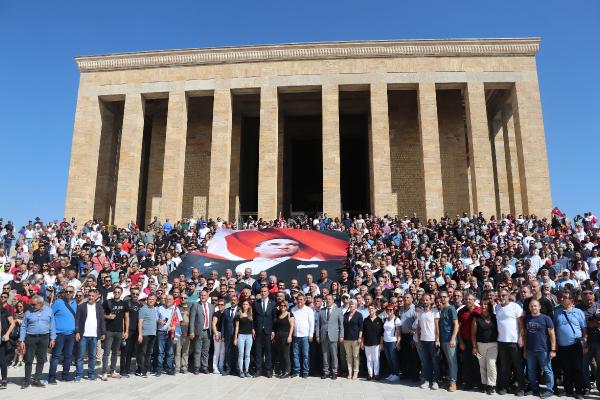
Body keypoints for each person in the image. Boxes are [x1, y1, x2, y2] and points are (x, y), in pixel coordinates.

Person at [554, 290, 587, 399]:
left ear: (571, 301)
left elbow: (584, 329)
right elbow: (554, 328)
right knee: (566, 369)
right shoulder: (557, 312)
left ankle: (579, 391)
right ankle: (568, 390)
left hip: (576, 345)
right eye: (562, 297)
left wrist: (585, 343)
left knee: (577, 368)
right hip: (562, 346)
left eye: (565, 297)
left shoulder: (578, 312)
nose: (562, 299)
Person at [18, 294, 56, 388]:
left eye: (33, 305)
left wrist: (53, 338)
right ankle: (27, 380)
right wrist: (21, 340)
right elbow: (23, 327)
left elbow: (52, 325)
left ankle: (37, 379)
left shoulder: (49, 311)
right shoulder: (28, 312)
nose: (32, 306)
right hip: (31, 338)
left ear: (40, 304)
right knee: (28, 360)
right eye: (31, 304)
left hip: (44, 338)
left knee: (41, 359)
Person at [495, 288, 525, 396]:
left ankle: (521, 388)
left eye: (504, 295)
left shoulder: (515, 306)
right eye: (500, 295)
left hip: (514, 341)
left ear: (508, 295)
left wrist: (521, 338)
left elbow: (521, 324)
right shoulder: (497, 307)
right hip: (501, 341)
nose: (502, 297)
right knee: (504, 366)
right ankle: (504, 386)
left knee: (518, 366)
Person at [524, 299, 556, 398]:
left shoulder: (546, 318)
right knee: (531, 370)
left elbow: (552, 334)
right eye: (531, 306)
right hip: (530, 350)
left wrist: (553, 349)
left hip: (543, 349)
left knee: (547, 370)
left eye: (535, 306)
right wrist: (525, 349)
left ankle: (550, 390)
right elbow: (525, 334)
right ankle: (535, 389)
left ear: (539, 307)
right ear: (529, 308)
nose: (533, 308)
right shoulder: (527, 318)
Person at [74, 289, 106, 382]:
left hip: (94, 335)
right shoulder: (81, 306)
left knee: (92, 356)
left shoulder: (99, 307)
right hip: (83, 335)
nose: (91, 297)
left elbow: (102, 321)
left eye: (93, 296)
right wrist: (77, 332)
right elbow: (77, 320)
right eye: (89, 295)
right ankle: (79, 374)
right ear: (87, 296)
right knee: (80, 356)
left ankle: (91, 374)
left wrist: (103, 332)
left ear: (96, 297)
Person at [48, 285, 77, 384]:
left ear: (73, 293)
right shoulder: (58, 302)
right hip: (59, 334)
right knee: (56, 356)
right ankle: (51, 377)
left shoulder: (75, 304)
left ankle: (65, 376)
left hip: (71, 334)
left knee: (68, 356)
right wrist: (52, 334)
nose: (68, 293)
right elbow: (50, 316)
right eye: (66, 291)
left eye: (70, 291)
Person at [471, 296, 498, 395]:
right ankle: (484, 384)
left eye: (486, 304)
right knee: (482, 366)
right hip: (480, 345)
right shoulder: (476, 318)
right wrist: (474, 347)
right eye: (482, 304)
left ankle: (491, 385)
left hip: (493, 345)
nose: (483, 306)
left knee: (491, 364)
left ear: (489, 306)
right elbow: (473, 334)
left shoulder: (495, 317)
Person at [101, 285, 128, 380]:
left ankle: (112, 371)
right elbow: (101, 314)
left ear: (121, 293)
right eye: (115, 292)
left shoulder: (124, 303)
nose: (116, 293)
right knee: (106, 352)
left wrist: (126, 331)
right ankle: (104, 371)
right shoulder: (107, 302)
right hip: (109, 330)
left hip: (119, 331)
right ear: (113, 293)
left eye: (118, 292)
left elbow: (126, 318)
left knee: (115, 352)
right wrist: (108, 317)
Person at [315, 293, 343, 379]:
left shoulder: (338, 310)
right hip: (323, 336)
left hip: (334, 335)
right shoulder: (321, 311)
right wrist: (317, 335)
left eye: (329, 299)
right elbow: (318, 325)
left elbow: (341, 325)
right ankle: (326, 372)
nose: (328, 300)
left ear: (333, 300)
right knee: (325, 355)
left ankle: (334, 372)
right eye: (326, 299)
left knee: (334, 355)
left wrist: (341, 335)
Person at [457, 293, 481, 391]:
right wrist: (460, 341)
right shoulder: (461, 311)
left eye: (470, 299)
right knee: (467, 363)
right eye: (466, 299)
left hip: (477, 342)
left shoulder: (479, 310)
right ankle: (468, 383)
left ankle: (479, 383)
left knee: (478, 363)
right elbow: (458, 327)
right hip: (465, 341)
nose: (468, 301)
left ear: (474, 300)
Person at [416, 293, 440, 390]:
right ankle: (427, 380)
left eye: (427, 300)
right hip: (423, 340)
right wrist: (418, 338)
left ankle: (436, 381)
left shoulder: (435, 311)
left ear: (431, 301)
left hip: (432, 340)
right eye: (424, 300)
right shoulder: (420, 313)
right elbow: (418, 327)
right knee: (425, 362)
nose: (425, 302)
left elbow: (437, 327)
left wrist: (437, 339)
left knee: (435, 361)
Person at [155, 294, 182, 376]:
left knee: (170, 352)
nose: (168, 300)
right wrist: (159, 321)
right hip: (161, 332)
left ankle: (169, 369)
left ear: (173, 300)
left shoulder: (175, 309)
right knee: (160, 352)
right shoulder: (160, 308)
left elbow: (179, 320)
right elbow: (155, 319)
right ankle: (159, 369)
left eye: (170, 299)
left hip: (171, 333)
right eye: (167, 299)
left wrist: (173, 326)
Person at [437, 290, 459, 392]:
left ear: (448, 297)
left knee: (452, 362)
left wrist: (453, 339)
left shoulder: (451, 309)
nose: (442, 298)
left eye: (444, 296)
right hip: (443, 340)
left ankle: (453, 382)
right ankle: (450, 380)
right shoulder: (442, 309)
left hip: (450, 340)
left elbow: (456, 325)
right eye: (441, 297)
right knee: (448, 362)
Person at [252, 286, 276, 377]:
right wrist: (253, 328)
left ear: (268, 292)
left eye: (265, 291)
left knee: (268, 351)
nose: (263, 293)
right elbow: (253, 317)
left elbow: (274, 318)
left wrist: (273, 330)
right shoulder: (256, 303)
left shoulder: (272, 303)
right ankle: (258, 370)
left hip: (268, 331)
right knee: (258, 351)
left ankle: (268, 370)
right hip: (258, 331)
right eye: (261, 291)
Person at [189, 290, 214, 374]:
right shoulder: (195, 305)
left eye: (204, 295)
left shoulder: (211, 306)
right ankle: (196, 367)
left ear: (207, 297)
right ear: (199, 296)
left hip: (208, 331)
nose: (203, 297)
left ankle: (205, 367)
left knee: (205, 351)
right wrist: (191, 331)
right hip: (198, 331)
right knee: (197, 350)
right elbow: (192, 320)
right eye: (201, 295)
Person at [291, 293, 315, 378]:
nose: (299, 301)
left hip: (305, 336)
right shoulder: (293, 309)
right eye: (298, 299)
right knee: (295, 354)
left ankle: (305, 371)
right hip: (295, 335)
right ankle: (296, 370)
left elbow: (312, 323)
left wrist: (311, 335)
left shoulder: (309, 310)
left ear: (305, 300)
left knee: (305, 355)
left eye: (301, 299)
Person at [120, 287, 142, 377]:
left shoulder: (140, 304)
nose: (135, 295)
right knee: (125, 351)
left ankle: (127, 369)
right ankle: (123, 370)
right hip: (128, 330)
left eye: (137, 294)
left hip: (136, 331)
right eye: (133, 293)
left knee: (131, 352)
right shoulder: (126, 303)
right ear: (130, 293)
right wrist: (124, 330)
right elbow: (123, 318)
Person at [397, 293, 418, 381]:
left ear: (412, 299)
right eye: (404, 297)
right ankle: (406, 374)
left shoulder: (415, 309)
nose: (406, 299)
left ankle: (414, 376)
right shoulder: (401, 309)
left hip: (411, 336)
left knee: (413, 357)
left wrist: (414, 336)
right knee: (404, 356)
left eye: (408, 297)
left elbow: (418, 323)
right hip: (403, 336)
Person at [137, 293, 158, 377]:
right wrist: (140, 335)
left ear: (155, 301)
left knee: (149, 353)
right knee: (143, 352)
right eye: (150, 299)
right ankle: (142, 370)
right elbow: (140, 322)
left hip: (153, 333)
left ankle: (146, 368)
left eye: (153, 299)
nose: (151, 301)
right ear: (147, 300)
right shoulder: (143, 309)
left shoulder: (154, 309)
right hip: (145, 334)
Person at [362, 304, 384, 380]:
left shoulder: (379, 320)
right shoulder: (365, 320)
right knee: (369, 359)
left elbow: (382, 333)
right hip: (367, 343)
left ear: (375, 310)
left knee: (376, 359)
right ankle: (370, 374)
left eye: (372, 309)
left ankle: (376, 374)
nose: (370, 310)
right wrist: (362, 342)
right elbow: (363, 332)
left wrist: (381, 343)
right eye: (369, 309)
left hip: (376, 343)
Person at [342, 298, 363, 380]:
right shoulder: (346, 314)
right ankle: (350, 372)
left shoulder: (359, 315)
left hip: (355, 339)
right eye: (350, 304)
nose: (351, 305)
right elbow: (343, 326)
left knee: (356, 356)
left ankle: (356, 372)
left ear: (356, 305)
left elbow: (361, 327)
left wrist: (360, 337)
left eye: (353, 304)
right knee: (348, 356)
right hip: (346, 339)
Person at [274, 300, 294, 378]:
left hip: (286, 336)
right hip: (278, 336)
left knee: (286, 354)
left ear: (287, 306)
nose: (282, 307)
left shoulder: (289, 314)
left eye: (284, 306)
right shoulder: (278, 314)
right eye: (281, 306)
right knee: (280, 354)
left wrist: (290, 336)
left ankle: (287, 371)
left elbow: (292, 326)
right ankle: (281, 370)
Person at [234, 299, 254, 378]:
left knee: (247, 354)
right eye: (244, 304)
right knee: (241, 354)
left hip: (249, 336)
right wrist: (235, 338)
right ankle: (241, 371)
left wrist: (253, 331)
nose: (245, 305)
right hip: (241, 336)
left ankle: (247, 370)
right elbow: (237, 327)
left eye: (246, 304)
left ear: (249, 306)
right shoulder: (239, 314)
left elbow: (252, 326)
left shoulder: (251, 314)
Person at [381, 303, 401, 382]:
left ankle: (396, 374)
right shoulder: (385, 319)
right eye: (387, 310)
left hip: (393, 341)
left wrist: (398, 343)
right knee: (389, 358)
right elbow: (383, 332)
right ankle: (392, 373)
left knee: (394, 358)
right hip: (386, 341)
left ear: (394, 310)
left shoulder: (397, 319)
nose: (389, 311)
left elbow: (399, 333)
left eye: (391, 310)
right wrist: (382, 343)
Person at [221, 294, 238, 375]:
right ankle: (228, 369)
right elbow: (223, 324)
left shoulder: (240, 310)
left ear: (237, 301)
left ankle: (236, 369)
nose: (233, 301)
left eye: (235, 300)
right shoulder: (226, 310)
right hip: (227, 336)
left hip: (237, 336)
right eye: (232, 300)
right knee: (228, 353)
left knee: (237, 353)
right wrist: (223, 336)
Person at [0, 300, 15, 388]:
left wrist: (7, 334)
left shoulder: (5, 311)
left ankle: (4, 379)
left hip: (1, 338)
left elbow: (12, 324)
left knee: (2, 360)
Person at [175, 293, 191, 374]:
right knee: (177, 351)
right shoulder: (176, 308)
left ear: (187, 299)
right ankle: (177, 367)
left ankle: (184, 367)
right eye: (182, 298)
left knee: (185, 351)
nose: (183, 299)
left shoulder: (190, 308)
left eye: (185, 298)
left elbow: (191, 321)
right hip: (178, 333)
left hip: (187, 333)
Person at [211, 299, 226, 374]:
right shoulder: (216, 313)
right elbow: (213, 324)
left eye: (222, 304)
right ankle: (215, 367)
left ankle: (221, 366)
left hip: (224, 334)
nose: (220, 306)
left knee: (222, 352)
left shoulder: (226, 313)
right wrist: (216, 334)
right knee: (216, 351)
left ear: (224, 305)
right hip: (218, 333)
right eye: (219, 304)